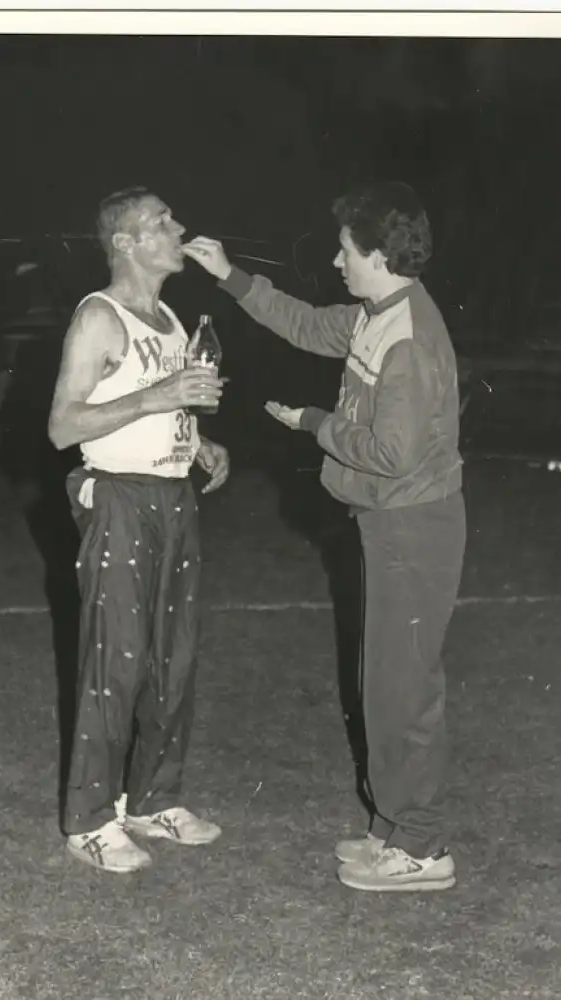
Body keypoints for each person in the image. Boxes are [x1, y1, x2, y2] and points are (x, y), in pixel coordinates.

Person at [183, 180, 465, 893]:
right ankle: (392, 828)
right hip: (388, 521)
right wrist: (229, 275)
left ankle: (422, 848)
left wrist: (314, 424)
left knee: (403, 689)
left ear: (377, 255)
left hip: (413, 526)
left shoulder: (407, 338)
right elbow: (307, 325)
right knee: (383, 683)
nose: (336, 262)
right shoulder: (378, 312)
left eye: (345, 251)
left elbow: (391, 453)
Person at [48, 186, 230, 873]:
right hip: (120, 499)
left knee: (172, 660)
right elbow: (63, 424)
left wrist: (197, 442)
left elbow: (164, 409)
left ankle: (154, 799)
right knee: (115, 661)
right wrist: (159, 397)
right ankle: (90, 820)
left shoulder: (171, 319)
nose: (178, 229)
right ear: (126, 243)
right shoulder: (99, 316)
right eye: (162, 222)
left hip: (173, 494)